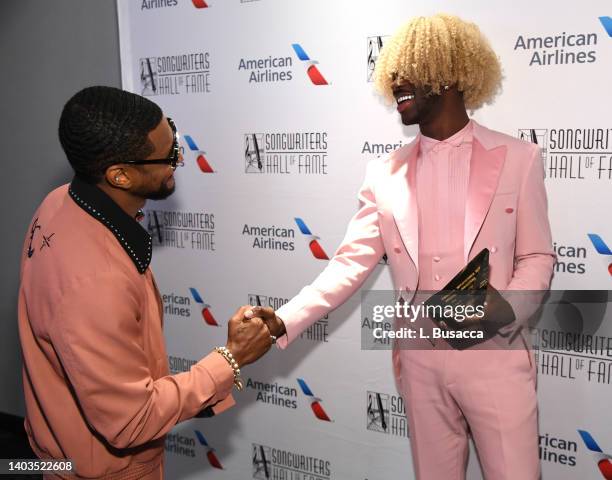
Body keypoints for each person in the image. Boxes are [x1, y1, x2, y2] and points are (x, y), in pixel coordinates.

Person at [251, 14, 555, 480]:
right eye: (392, 71)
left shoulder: (518, 158)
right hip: (419, 361)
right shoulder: (383, 173)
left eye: (410, 69)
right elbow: (350, 263)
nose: (396, 82)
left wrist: (499, 315)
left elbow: (536, 257)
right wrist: (286, 317)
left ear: (450, 73)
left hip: (495, 356)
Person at [18, 86, 273, 479]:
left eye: (174, 136)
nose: (180, 158)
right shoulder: (96, 282)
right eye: (168, 155)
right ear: (120, 175)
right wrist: (231, 359)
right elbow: (130, 420)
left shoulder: (57, 202)